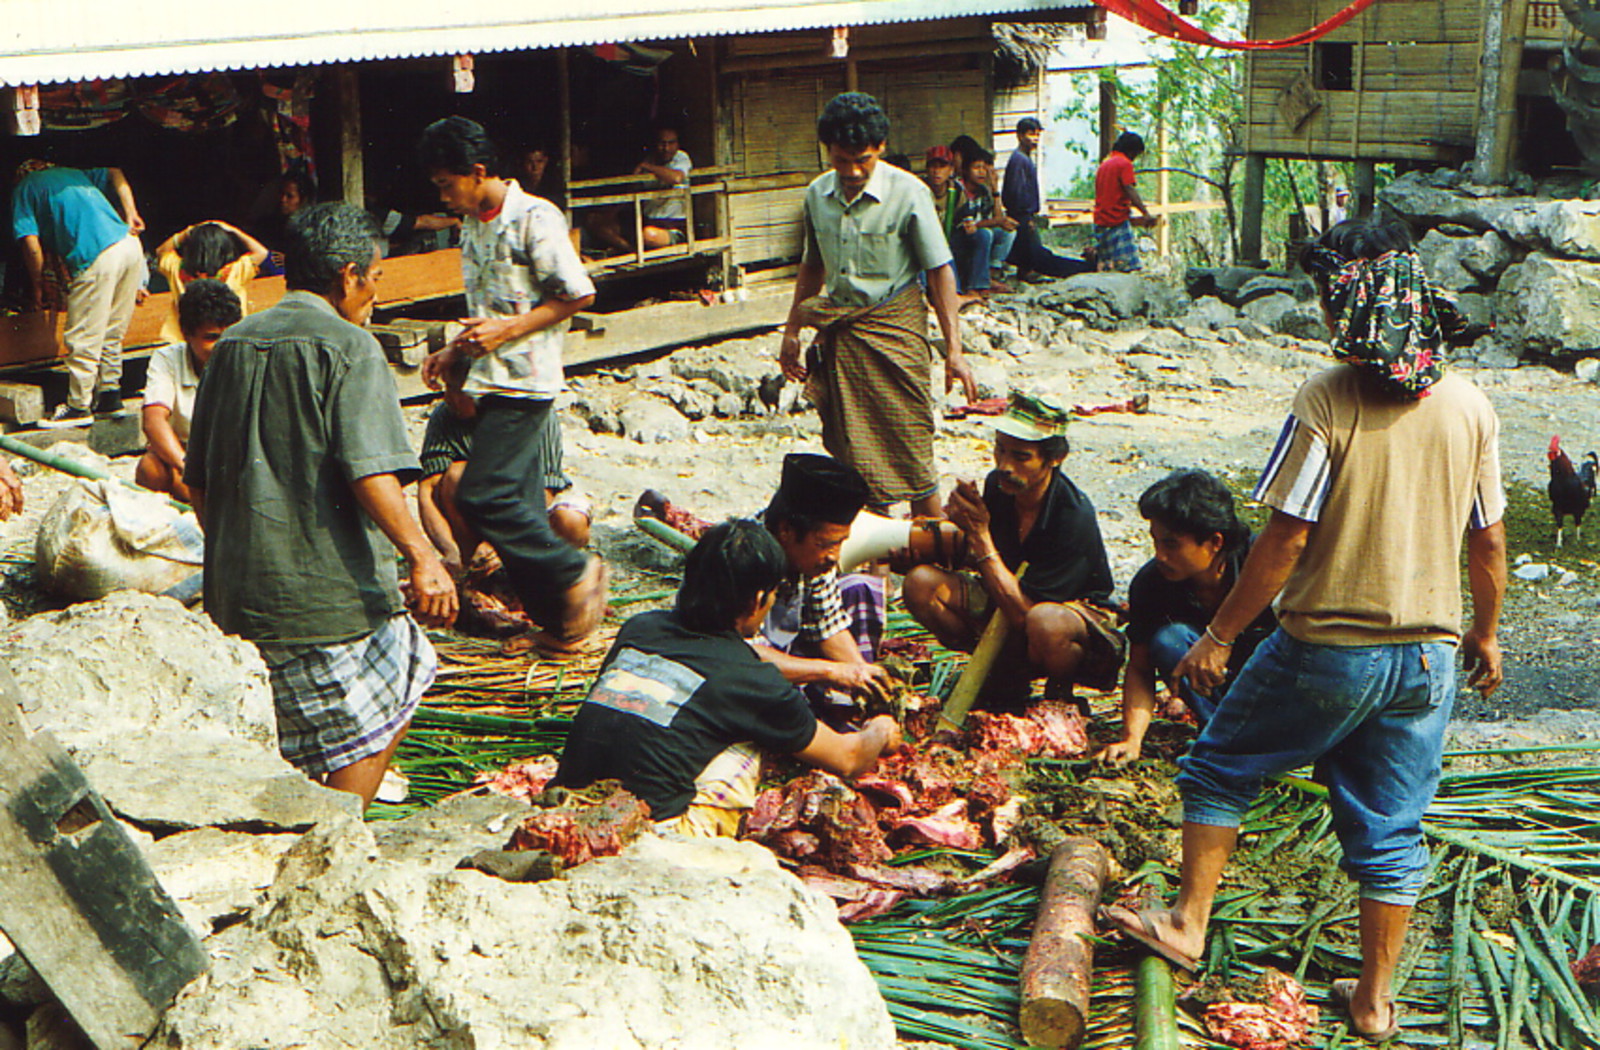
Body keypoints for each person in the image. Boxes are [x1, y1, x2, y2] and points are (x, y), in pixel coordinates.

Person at [1102, 217, 1506, 1045]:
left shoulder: (1328, 398)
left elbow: (1285, 537)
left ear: (1352, 305)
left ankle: (1185, 923)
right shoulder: (1471, 406)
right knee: (1391, 828)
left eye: (1329, 298)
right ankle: (1374, 1003)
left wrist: (1218, 634)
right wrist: (1486, 634)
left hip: (1331, 645)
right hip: (1428, 657)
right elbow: (1489, 538)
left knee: (1217, 766)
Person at [184, 202, 458, 809]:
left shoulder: (230, 347)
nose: (375, 296)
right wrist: (423, 556)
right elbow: (371, 471)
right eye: (375, 280)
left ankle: (311, 825)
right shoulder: (350, 347)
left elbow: (195, 478)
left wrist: (234, 549)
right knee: (397, 684)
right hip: (324, 600)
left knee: (301, 732)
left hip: (236, 594)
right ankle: (337, 838)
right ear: (349, 276)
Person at [555, 519, 903, 836]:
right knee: (749, 744)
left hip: (568, 802)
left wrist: (827, 670)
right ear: (756, 601)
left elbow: (725, 662)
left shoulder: (640, 627)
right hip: (644, 829)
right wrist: (882, 729)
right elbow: (849, 758)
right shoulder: (753, 682)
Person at [418, 116, 607, 658]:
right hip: (490, 376)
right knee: (518, 502)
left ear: (478, 173)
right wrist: (455, 349)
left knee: (484, 493)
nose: (443, 194)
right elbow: (490, 312)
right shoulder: (474, 225)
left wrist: (507, 330)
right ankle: (560, 626)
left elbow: (577, 294)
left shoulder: (534, 217)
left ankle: (577, 569)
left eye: (446, 183)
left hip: (527, 380)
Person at [780, 92, 977, 518]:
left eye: (863, 160)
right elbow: (812, 266)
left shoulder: (910, 193)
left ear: (881, 148)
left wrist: (954, 351)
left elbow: (940, 271)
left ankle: (931, 543)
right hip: (842, 334)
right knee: (854, 451)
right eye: (840, 160)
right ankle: (877, 552)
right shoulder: (817, 195)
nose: (851, 171)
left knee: (912, 444)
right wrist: (792, 332)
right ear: (827, 152)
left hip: (896, 331)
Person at [902, 392, 1124, 710]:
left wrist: (978, 535)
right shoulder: (1000, 485)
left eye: (1021, 457)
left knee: (1045, 622)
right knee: (920, 584)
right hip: (1008, 596)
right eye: (1000, 450)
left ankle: (1060, 691)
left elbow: (1023, 614)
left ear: (1054, 458)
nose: (1004, 465)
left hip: (1061, 616)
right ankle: (1001, 674)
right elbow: (981, 558)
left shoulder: (1071, 515)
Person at [1100, 470, 1277, 767]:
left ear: (1214, 542)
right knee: (1170, 640)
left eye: (1171, 545)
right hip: (1220, 691)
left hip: (1274, 688)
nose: (1160, 556)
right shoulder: (1151, 583)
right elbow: (1141, 669)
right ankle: (1223, 739)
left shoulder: (1261, 565)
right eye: (1155, 542)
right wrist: (1132, 739)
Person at [752, 453, 894, 710]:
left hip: (783, 651)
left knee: (859, 587)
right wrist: (830, 672)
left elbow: (826, 622)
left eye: (841, 543)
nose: (835, 556)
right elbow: (745, 658)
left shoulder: (814, 560)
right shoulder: (744, 559)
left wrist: (862, 675)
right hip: (737, 669)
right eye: (825, 544)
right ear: (786, 532)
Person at [11, 161, 146, 426]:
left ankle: (78, 407)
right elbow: (116, 171)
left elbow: (30, 243)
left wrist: (39, 284)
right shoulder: (74, 174)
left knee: (83, 334)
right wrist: (131, 213)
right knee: (111, 330)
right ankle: (109, 397)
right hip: (130, 245)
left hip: (97, 254)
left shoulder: (24, 189)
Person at [417, 384, 592, 578]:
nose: (450, 399)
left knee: (571, 522)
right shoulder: (444, 415)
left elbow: (544, 490)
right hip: (479, 509)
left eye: (459, 391)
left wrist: (499, 541)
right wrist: (450, 551)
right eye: (447, 390)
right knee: (457, 475)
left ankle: (547, 568)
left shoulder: (531, 408)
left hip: (529, 505)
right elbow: (428, 488)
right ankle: (472, 566)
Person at [137, 279, 241, 502]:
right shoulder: (168, 359)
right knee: (151, 469)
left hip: (230, 458)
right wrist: (188, 470)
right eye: (211, 337)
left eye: (227, 336)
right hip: (185, 459)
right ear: (186, 333)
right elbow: (153, 421)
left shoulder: (245, 357)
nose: (221, 345)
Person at [1000, 119, 1093, 282]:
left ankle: (1026, 270)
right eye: (1030, 134)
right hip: (1021, 216)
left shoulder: (1024, 158)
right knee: (1042, 259)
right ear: (1020, 136)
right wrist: (1026, 216)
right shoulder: (1019, 160)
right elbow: (1015, 193)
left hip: (1024, 216)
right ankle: (1087, 268)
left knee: (1030, 253)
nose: (1035, 138)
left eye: (1037, 135)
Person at [153, 220, 268, 344]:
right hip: (231, 339)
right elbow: (262, 252)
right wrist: (235, 231)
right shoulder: (235, 271)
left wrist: (186, 233)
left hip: (181, 340)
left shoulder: (176, 270)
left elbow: (161, 251)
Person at [589, 127, 693, 253]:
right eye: (662, 143)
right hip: (647, 221)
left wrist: (647, 167)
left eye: (671, 143)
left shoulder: (681, 158)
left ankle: (637, 249)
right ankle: (630, 250)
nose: (666, 148)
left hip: (672, 226)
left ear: (677, 144)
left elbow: (676, 177)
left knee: (648, 235)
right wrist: (612, 213)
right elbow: (633, 190)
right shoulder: (650, 159)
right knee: (596, 222)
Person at [951, 146, 1016, 299]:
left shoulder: (983, 191)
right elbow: (967, 226)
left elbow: (998, 217)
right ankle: (976, 286)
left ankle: (990, 276)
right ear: (966, 170)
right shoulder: (958, 189)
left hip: (976, 234)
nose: (981, 172)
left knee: (1007, 232)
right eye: (976, 167)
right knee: (985, 234)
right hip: (958, 238)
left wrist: (995, 190)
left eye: (984, 168)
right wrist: (997, 221)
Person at [1094, 131, 1157, 273]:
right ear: (1131, 151)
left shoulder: (1105, 164)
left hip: (1101, 220)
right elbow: (1129, 189)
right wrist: (1145, 213)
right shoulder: (1124, 164)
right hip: (1116, 221)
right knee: (1128, 267)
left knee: (1106, 267)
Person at [922, 145, 962, 246]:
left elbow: (964, 219)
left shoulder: (956, 190)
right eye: (933, 166)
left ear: (951, 169)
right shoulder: (919, 189)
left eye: (942, 166)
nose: (937, 171)